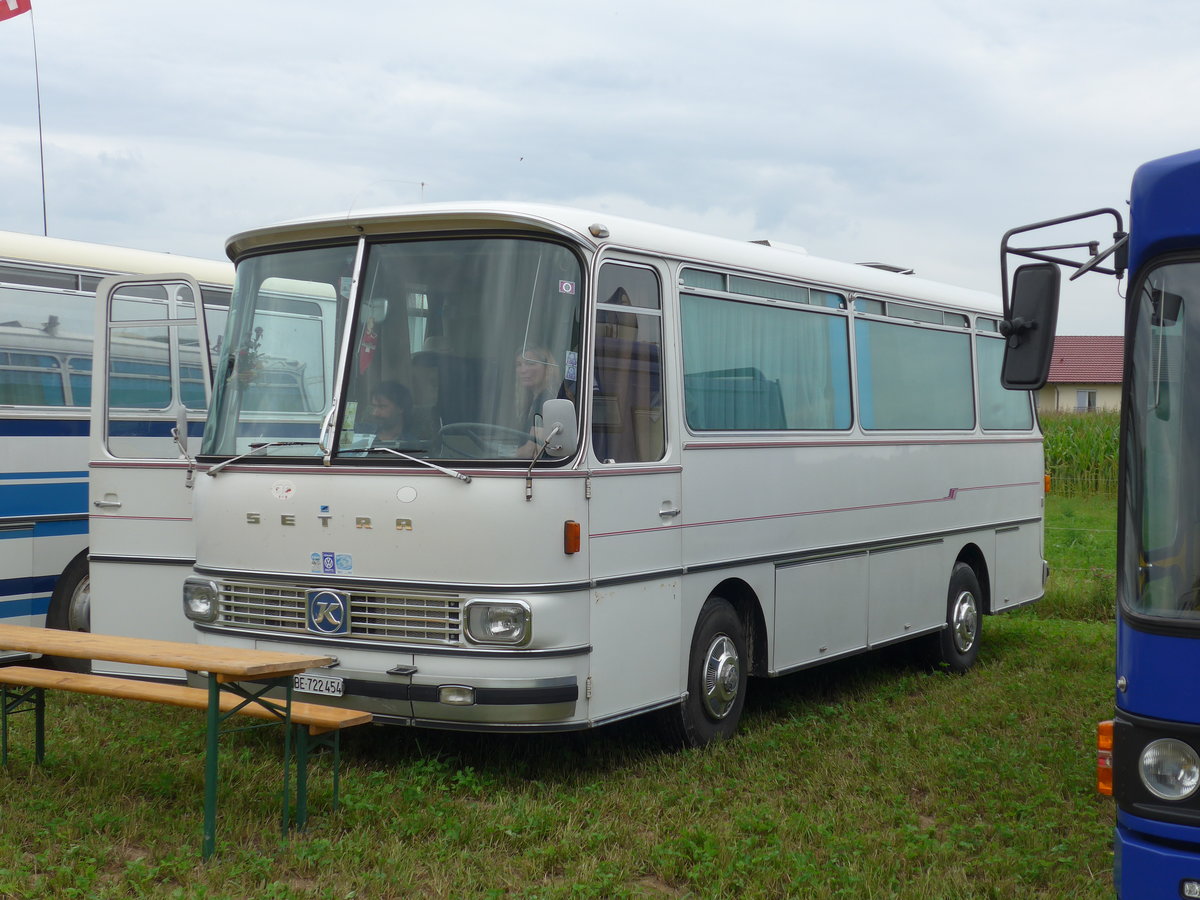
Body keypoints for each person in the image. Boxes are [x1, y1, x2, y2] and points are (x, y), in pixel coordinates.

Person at [515, 348, 560, 457]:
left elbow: (533, 450)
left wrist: (500, 455)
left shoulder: (546, 402)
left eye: (530, 363)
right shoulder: (533, 401)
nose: (523, 370)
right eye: (519, 364)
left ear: (547, 368)